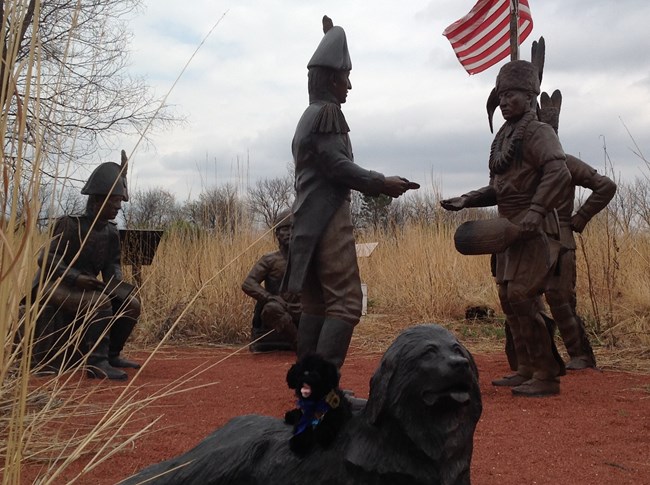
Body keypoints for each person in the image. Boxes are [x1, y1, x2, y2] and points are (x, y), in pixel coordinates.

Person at [282, 16, 417, 370]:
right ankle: (324, 393)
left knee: (317, 304)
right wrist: (381, 182)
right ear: (331, 79)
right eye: (345, 77)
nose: (350, 86)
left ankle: (309, 388)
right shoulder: (328, 113)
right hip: (328, 218)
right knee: (345, 303)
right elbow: (337, 166)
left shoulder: (308, 116)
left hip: (307, 219)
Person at [441, 60, 572, 397]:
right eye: (500, 96)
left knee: (522, 296)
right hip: (508, 231)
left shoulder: (538, 132)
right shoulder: (504, 137)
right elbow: (498, 188)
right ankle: (527, 366)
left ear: (529, 97)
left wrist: (536, 211)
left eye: (510, 95)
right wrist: (467, 200)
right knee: (507, 298)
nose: (503, 102)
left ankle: (546, 373)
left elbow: (559, 173)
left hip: (536, 229)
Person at [33, 156, 140, 380]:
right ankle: (96, 363)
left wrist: (118, 287)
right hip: (54, 286)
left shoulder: (111, 232)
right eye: (113, 202)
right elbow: (46, 258)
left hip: (85, 286)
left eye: (119, 202)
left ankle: (111, 355)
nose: (118, 208)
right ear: (97, 201)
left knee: (130, 304)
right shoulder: (70, 225)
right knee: (98, 303)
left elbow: (112, 265)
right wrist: (75, 277)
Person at [535, 90, 617, 370]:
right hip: (530, 242)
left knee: (559, 298)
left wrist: (580, 217)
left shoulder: (566, 162)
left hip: (561, 241)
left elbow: (605, 186)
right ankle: (536, 355)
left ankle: (581, 354)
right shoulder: (525, 168)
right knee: (522, 298)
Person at [242, 209, 301, 352]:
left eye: (293, 228)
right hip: (279, 307)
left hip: (301, 307)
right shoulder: (269, 259)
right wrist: (270, 298)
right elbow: (248, 283)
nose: (289, 233)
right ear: (277, 234)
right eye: (285, 229)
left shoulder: (305, 259)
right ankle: (299, 343)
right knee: (271, 309)